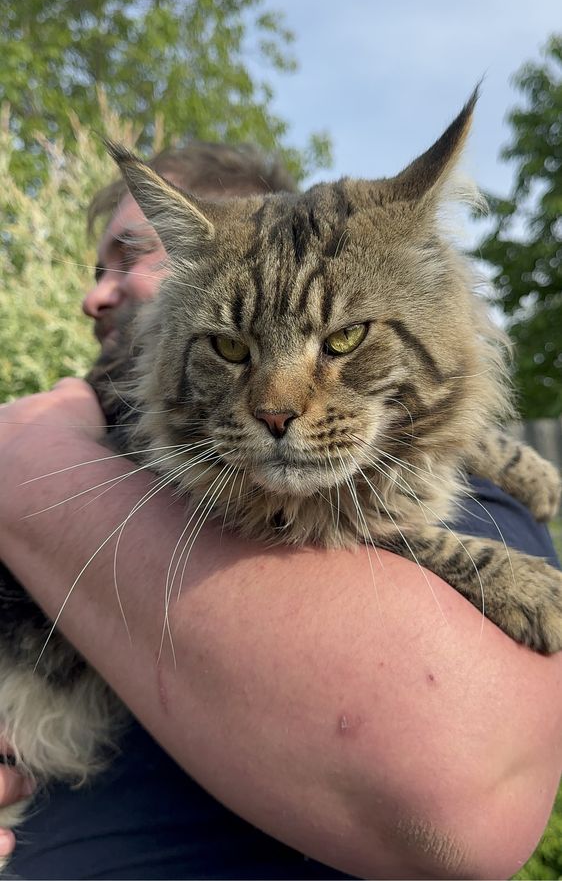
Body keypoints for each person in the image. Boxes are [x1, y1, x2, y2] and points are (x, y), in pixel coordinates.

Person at [0, 139, 560, 880]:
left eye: (130, 255)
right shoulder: (90, 405)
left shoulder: (40, 439)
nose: (277, 407)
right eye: (231, 346)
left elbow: (458, 804)